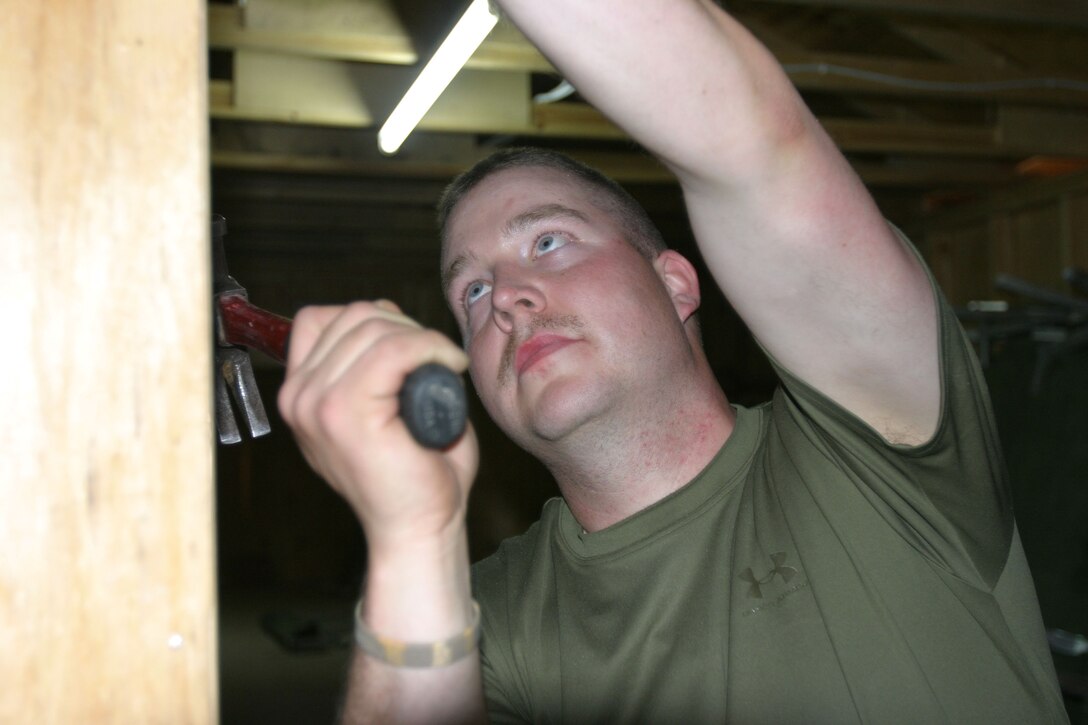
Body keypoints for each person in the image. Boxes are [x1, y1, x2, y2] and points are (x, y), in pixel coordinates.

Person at [277, 1, 1067, 722]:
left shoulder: (876, 446)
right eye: (473, 291)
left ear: (675, 282)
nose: (507, 297)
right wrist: (413, 538)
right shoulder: (493, 611)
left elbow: (754, 145)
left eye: (547, 242)